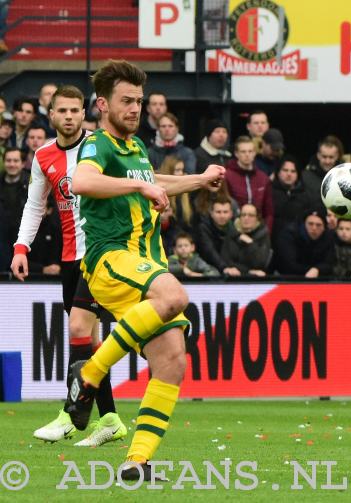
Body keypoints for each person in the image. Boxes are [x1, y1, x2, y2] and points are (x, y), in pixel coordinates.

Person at [66, 60, 225, 480]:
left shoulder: (134, 149)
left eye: (139, 101)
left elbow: (151, 178)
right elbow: (81, 183)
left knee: (173, 360)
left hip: (143, 263)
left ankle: (136, 462)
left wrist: (198, 179)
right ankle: (90, 374)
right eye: (127, 100)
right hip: (111, 258)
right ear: (102, 104)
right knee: (175, 296)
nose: (136, 108)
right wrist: (140, 186)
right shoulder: (96, 144)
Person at [10, 85, 127, 446]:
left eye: (76, 110)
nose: (70, 117)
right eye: (63, 111)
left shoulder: (100, 146)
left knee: (79, 329)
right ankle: (109, 419)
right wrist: (21, 248)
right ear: (52, 115)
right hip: (70, 258)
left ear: (84, 113)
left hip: (100, 252)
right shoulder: (43, 155)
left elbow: (129, 182)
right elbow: (34, 205)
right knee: (88, 343)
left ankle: (69, 414)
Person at [225, 135, 274, 232]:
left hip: (259, 231)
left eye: (250, 151)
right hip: (233, 230)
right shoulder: (227, 176)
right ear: (236, 153)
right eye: (243, 152)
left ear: (255, 153)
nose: (247, 155)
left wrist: (266, 233)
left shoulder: (263, 178)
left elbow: (269, 212)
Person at [274, 207, 335, 278]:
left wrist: (317, 269)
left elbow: (330, 263)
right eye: (310, 224)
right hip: (289, 277)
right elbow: (289, 265)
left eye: (318, 225)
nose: (314, 228)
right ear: (304, 224)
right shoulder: (289, 235)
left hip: (318, 277)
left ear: (324, 227)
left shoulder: (328, 237)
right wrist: (313, 269)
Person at [195, 198, 243, 277]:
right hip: (207, 268)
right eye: (218, 212)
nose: (222, 216)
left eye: (225, 212)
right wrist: (224, 267)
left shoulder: (236, 228)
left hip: (231, 268)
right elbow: (210, 251)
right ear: (211, 213)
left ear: (231, 213)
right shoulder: (203, 228)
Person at [271, 155, 316, 238]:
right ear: (278, 172)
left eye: (293, 171)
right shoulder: (270, 192)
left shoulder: (305, 195)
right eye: (285, 170)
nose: (289, 174)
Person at [221, 203, 272, 277]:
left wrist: (250, 243)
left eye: (251, 215)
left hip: (256, 278)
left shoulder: (263, 234)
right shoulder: (232, 232)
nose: (246, 218)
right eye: (243, 215)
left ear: (257, 218)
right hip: (232, 276)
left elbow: (260, 263)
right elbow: (226, 260)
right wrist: (248, 271)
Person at [0, 147, 27, 263]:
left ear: (23, 164)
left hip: (23, 238)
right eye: (8, 160)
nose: (12, 164)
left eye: (16, 161)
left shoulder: (32, 184)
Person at [302, 135, 344, 204]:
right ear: (318, 155)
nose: (327, 161)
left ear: (337, 157)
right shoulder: (305, 176)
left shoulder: (346, 176)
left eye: (331, 157)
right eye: (324, 157)